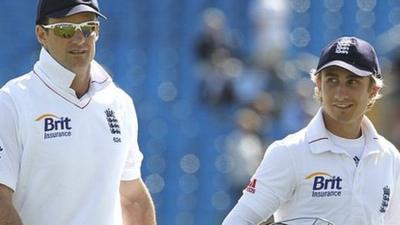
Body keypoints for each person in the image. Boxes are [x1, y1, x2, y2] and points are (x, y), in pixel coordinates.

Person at [0, 0, 156, 224]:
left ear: (97, 32)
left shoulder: (119, 103)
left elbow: (132, 199)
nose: (79, 39)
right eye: (65, 30)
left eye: (87, 28)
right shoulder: (11, 101)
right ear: (41, 34)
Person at [222, 36, 400, 225]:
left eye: (352, 82)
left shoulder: (390, 157)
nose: (340, 93)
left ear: (372, 89)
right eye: (332, 80)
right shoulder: (288, 152)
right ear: (319, 85)